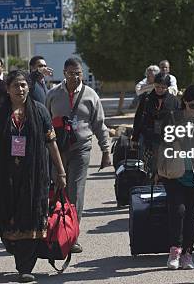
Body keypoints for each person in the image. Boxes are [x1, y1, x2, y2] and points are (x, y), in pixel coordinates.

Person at [0, 70, 67, 283]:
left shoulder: (40, 112)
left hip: (35, 176)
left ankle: (25, 267)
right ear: (7, 89)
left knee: (31, 217)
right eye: (16, 86)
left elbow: (51, 144)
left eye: (23, 85)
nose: (20, 89)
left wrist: (61, 171)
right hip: (5, 176)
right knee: (9, 223)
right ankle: (18, 253)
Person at [46, 57, 111, 253]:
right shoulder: (53, 94)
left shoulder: (91, 95)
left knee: (75, 191)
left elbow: (100, 124)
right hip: (58, 150)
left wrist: (106, 150)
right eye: (71, 73)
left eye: (79, 73)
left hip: (81, 148)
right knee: (57, 188)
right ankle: (53, 230)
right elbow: (45, 122)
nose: (75, 76)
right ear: (64, 73)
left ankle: (72, 236)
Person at [159, 85, 194, 270]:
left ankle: (188, 253)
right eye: (192, 105)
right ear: (184, 103)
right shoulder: (173, 117)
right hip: (174, 173)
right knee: (178, 211)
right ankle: (175, 251)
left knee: (191, 215)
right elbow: (160, 140)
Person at [132, 72, 180, 175]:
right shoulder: (146, 99)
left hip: (168, 141)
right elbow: (138, 118)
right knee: (151, 169)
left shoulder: (174, 101)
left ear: (167, 87)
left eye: (163, 87)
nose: (159, 90)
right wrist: (135, 138)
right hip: (149, 139)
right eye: (157, 86)